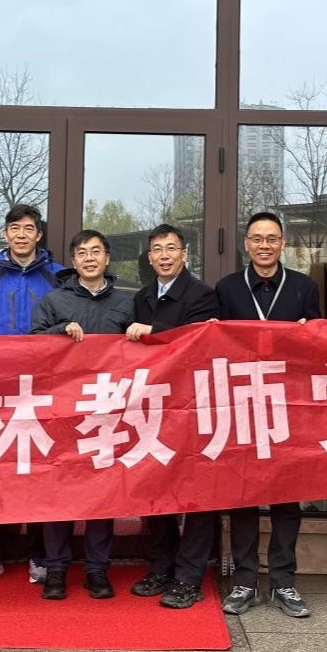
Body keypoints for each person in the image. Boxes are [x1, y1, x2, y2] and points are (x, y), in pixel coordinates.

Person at [213, 212, 321, 619]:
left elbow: (319, 344)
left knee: (286, 498)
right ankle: (245, 580)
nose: (264, 245)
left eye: (272, 238)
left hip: (289, 402)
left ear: (283, 244)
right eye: (257, 238)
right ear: (246, 244)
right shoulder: (227, 288)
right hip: (242, 402)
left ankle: (283, 581)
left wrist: (312, 329)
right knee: (243, 496)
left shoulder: (303, 286)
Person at [31, 229, 134, 600]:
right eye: (82, 253)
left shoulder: (126, 303)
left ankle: (96, 570)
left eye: (96, 252)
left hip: (106, 410)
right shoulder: (53, 300)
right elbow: (30, 345)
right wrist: (60, 330)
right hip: (61, 409)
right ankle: (56, 569)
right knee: (57, 491)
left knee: (102, 493)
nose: (90, 258)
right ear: (73, 261)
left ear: (107, 258)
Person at [124, 224, 219, 609]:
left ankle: (189, 577)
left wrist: (156, 330)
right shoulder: (142, 297)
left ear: (184, 254)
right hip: (156, 405)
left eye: (171, 248)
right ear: (149, 258)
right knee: (156, 489)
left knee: (197, 494)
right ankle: (161, 567)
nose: (164, 255)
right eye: (158, 250)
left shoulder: (203, 295)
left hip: (194, 405)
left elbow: (201, 341)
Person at [0, 203, 64, 587]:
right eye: (14, 228)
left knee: (41, 471)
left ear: (38, 234)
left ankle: (39, 554)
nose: (21, 235)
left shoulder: (58, 275)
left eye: (28, 228)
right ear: (5, 233)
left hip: (46, 386)